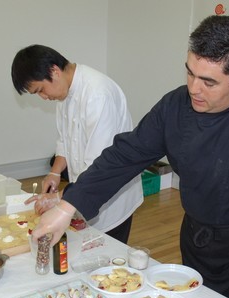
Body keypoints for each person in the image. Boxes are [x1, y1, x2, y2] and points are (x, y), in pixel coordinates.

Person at [32, 16, 229, 298]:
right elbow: (125, 155)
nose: (194, 89)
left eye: (209, 82)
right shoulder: (175, 106)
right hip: (195, 232)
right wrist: (67, 206)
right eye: (190, 73)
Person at [11, 45, 143, 244]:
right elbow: (64, 139)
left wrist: (59, 199)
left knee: (107, 258)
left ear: (54, 71)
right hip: (82, 191)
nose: (44, 97)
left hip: (110, 195)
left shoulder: (98, 94)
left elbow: (100, 166)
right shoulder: (64, 92)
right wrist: (55, 172)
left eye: (41, 90)